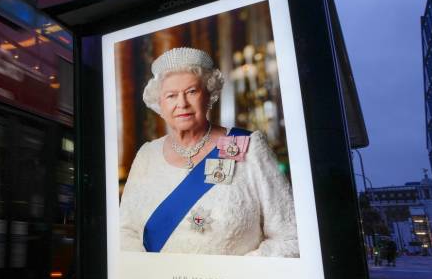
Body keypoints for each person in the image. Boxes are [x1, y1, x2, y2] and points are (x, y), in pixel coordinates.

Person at [118, 47, 299, 256]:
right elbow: (125, 232)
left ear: (209, 95)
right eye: (171, 96)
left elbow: (290, 236)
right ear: (160, 103)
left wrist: (238, 273)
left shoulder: (247, 145)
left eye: (191, 92)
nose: (182, 103)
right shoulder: (146, 156)